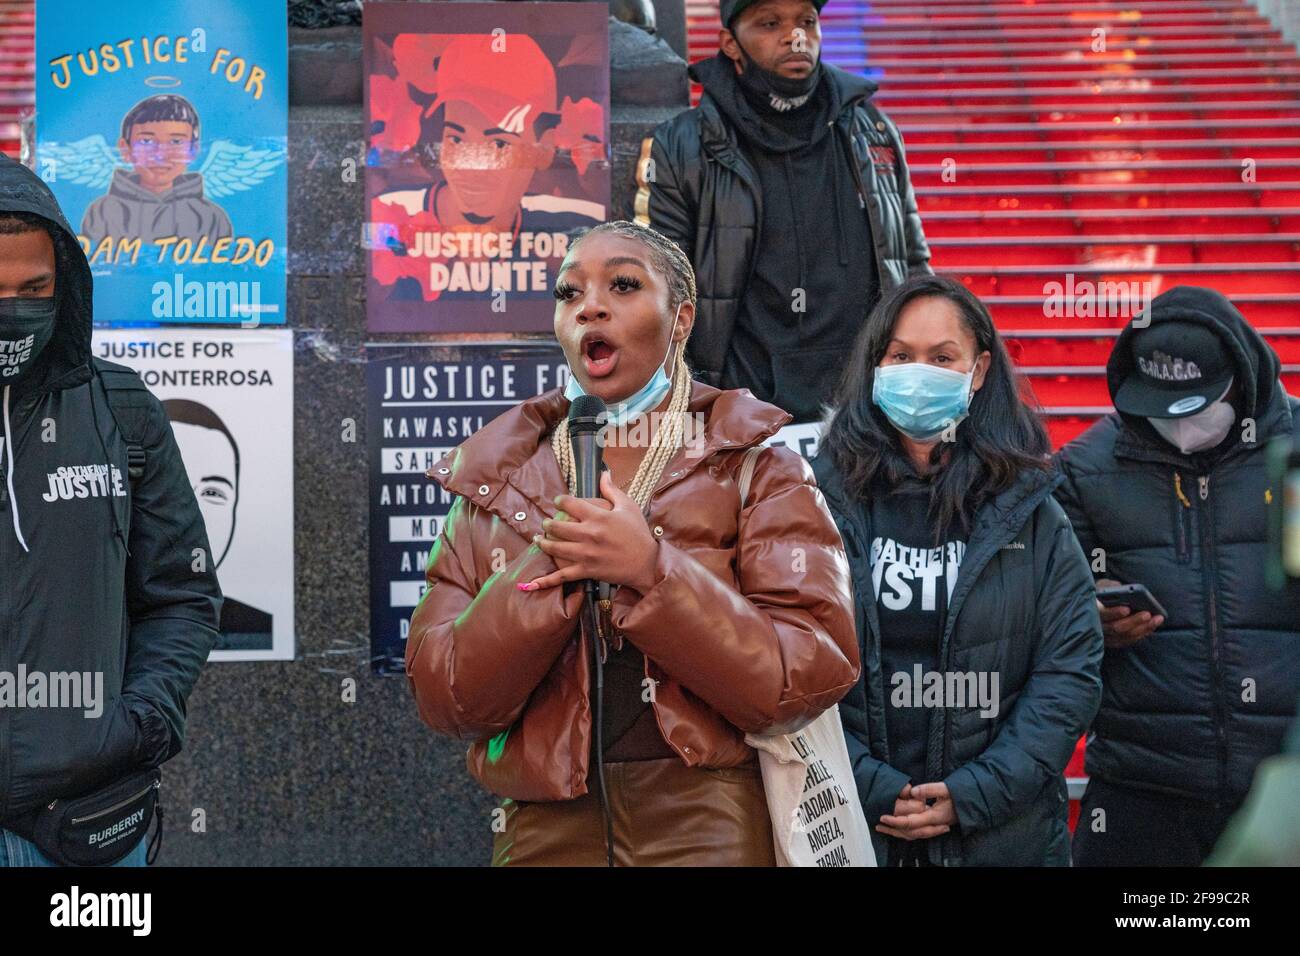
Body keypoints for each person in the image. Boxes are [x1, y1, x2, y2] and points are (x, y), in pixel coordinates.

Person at [405, 220, 860, 866]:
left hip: (707, 822)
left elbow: (808, 671)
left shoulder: (753, 464)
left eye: (622, 284)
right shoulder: (494, 480)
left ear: (681, 319)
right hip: (543, 832)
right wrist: (552, 564)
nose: (590, 305)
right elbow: (444, 696)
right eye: (569, 293)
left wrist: (654, 571)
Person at [810, 274, 1103, 866]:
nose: (920, 373)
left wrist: (975, 793)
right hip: (854, 829)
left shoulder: (1030, 512)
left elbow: (1069, 670)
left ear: (980, 371)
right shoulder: (815, 504)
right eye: (901, 356)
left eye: (943, 358)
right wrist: (871, 785)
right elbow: (785, 663)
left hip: (1004, 837)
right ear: (875, 367)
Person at [0, 155, 222, 866]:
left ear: (65, 284)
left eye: (34, 288)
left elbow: (181, 595)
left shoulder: (122, 412)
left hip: (87, 821)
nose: (15, 310)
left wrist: (138, 725)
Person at [1054, 285, 1300, 867]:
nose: (1182, 426)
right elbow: (1052, 608)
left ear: (1242, 376)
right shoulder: (1086, 470)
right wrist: (1093, 614)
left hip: (1284, 778)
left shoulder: (1291, 453)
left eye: (1198, 405)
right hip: (1143, 786)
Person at [633, 0, 931, 424]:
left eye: (807, 22)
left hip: (866, 409)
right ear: (730, 45)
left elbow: (912, 263)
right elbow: (661, 292)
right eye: (770, 23)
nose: (795, 37)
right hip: (744, 410)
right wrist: (692, 409)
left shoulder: (872, 132)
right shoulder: (683, 145)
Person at [81, 94, 234, 249]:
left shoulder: (211, 217)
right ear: (125, 149)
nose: (160, 155)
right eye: (146, 141)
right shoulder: (103, 212)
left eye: (176, 142)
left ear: (193, 150)